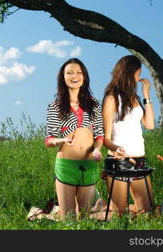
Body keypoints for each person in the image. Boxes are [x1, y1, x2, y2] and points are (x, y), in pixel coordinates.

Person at [44, 58, 104, 220]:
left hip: (89, 165)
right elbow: (48, 140)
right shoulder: (55, 106)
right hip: (66, 166)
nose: (74, 76)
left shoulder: (95, 105)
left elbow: (99, 135)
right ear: (63, 77)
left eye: (78, 72)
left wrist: (97, 149)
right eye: (69, 73)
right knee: (68, 219)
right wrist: (61, 140)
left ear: (84, 77)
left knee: (84, 217)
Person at [102, 55, 155, 216]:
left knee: (148, 213)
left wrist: (146, 95)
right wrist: (116, 148)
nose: (140, 77)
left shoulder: (136, 98)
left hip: (139, 161)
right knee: (120, 214)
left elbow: (150, 125)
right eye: (138, 73)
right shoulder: (112, 98)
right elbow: (105, 138)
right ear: (129, 73)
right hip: (119, 162)